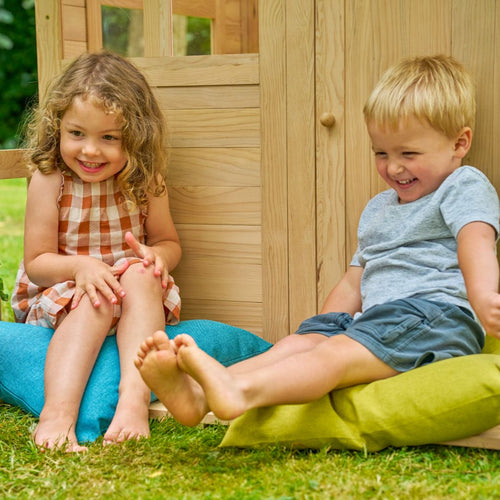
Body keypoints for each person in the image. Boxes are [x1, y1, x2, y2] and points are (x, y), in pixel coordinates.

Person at [135, 55, 500, 427]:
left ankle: (239, 392)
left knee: (335, 355)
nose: (393, 168)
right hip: (376, 321)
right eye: (381, 153)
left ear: (459, 143)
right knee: (296, 345)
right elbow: (355, 279)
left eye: (409, 154)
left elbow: (477, 241)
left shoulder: (463, 184)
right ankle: (198, 395)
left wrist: (485, 298)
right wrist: (323, 324)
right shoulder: (379, 208)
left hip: (435, 317)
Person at [11, 51, 182, 451]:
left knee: (141, 275)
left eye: (109, 138)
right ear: (57, 127)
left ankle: (133, 402)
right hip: (64, 287)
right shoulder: (51, 178)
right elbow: (37, 264)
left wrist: (159, 257)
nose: (90, 151)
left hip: (130, 290)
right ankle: (57, 416)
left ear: (135, 138)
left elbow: (168, 242)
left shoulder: (145, 180)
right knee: (98, 298)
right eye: (77, 134)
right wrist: (82, 267)